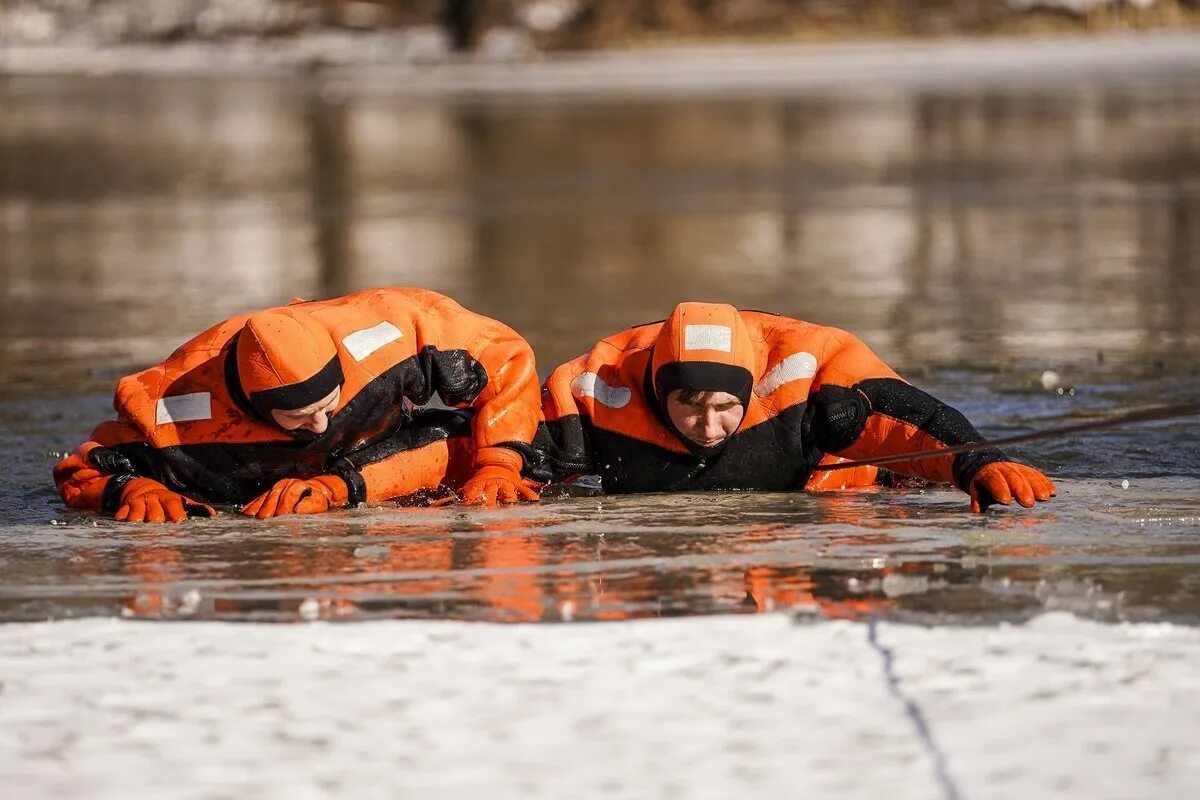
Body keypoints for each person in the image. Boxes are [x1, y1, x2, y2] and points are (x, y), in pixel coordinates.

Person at [54, 287, 542, 522]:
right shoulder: (175, 407)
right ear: (258, 409)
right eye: (301, 418)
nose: (321, 422)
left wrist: (499, 465)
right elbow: (83, 469)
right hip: (246, 464)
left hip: (375, 445)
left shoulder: (392, 334)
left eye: (329, 405)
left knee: (476, 444)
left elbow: (506, 360)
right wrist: (130, 488)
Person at [534, 302, 1055, 513]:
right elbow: (516, 448)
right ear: (655, 389)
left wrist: (978, 461)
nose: (708, 425)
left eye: (724, 407)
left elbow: (913, 421)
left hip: (834, 492)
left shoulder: (811, 369)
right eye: (688, 405)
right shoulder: (594, 387)